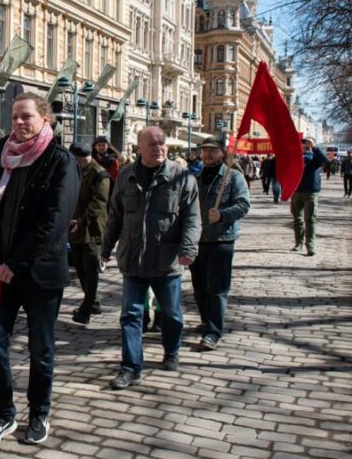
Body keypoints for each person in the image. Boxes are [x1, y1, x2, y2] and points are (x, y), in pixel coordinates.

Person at [0, 93, 80, 449]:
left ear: (45, 119)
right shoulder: (2, 159)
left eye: (27, 117)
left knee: (41, 349)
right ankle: (2, 412)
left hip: (39, 274)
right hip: (1, 273)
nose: (19, 123)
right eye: (15, 117)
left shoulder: (60, 161)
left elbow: (54, 223)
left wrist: (16, 263)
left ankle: (39, 411)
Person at [101, 126, 199, 390]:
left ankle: (172, 350)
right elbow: (115, 216)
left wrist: (188, 248)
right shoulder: (126, 176)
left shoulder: (182, 176)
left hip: (166, 260)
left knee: (172, 313)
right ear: (139, 148)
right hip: (132, 258)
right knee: (130, 316)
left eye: (162, 143)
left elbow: (192, 217)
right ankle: (131, 368)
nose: (159, 148)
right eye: (153, 144)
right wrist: (105, 247)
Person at [190, 138, 250, 351]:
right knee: (199, 287)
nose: (207, 155)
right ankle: (207, 320)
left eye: (212, 151)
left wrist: (222, 214)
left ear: (223, 153)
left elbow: (243, 205)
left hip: (221, 240)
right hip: (198, 240)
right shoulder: (195, 178)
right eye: (205, 150)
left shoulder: (233, 177)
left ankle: (213, 332)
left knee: (217, 289)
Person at [68, 143, 110, 325]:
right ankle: (94, 302)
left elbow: (99, 203)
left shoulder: (100, 174)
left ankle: (86, 309)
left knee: (90, 269)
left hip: (92, 228)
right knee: (80, 267)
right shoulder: (76, 171)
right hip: (76, 227)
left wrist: (81, 221)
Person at [291, 137, 329, 256]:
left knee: (310, 219)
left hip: (310, 192)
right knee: (297, 220)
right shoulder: (296, 156)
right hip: (296, 191)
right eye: (303, 143)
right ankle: (299, 243)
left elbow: (325, 161)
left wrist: (314, 147)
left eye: (307, 143)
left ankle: (310, 246)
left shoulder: (314, 157)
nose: (305, 145)